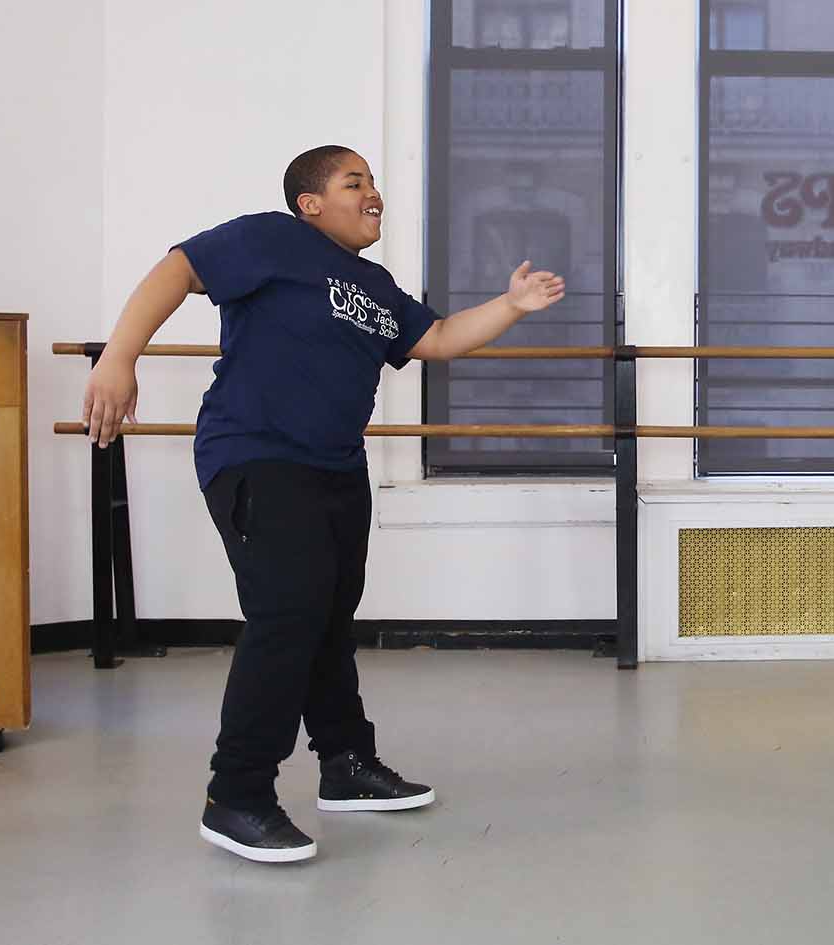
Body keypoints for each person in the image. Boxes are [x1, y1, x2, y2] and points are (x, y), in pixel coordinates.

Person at [80, 145, 565, 863]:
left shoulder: (373, 283)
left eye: (373, 182)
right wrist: (118, 356)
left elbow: (434, 339)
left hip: (336, 465)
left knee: (328, 616)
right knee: (290, 611)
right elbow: (178, 268)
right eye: (354, 181)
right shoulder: (274, 239)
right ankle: (237, 794)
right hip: (256, 453)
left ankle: (345, 765)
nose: (374, 193)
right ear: (310, 203)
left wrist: (510, 305)